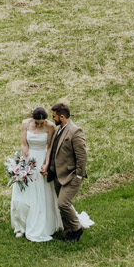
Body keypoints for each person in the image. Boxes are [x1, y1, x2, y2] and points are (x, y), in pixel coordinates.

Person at [10, 106, 61, 242]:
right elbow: (24, 143)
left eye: (42, 123)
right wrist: (24, 161)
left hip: (41, 159)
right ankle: (21, 225)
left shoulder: (50, 127)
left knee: (40, 192)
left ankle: (41, 223)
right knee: (23, 193)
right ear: (32, 119)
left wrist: (46, 163)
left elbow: (49, 147)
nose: (40, 125)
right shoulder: (25, 124)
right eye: (37, 123)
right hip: (28, 159)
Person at [46, 101, 89, 242]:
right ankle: (68, 233)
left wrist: (78, 175)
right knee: (61, 206)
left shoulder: (75, 131)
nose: (53, 119)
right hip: (59, 175)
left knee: (63, 204)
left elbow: (82, 156)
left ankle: (76, 229)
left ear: (62, 116)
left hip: (71, 176)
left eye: (54, 116)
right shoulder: (59, 129)